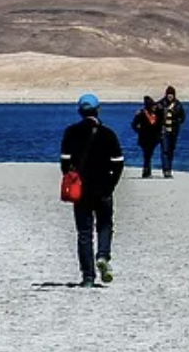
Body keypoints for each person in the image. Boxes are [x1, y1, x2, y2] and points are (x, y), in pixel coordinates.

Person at [60, 92, 125, 286]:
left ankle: (88, 277)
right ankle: (103, 255)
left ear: (80, 111)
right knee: (105, 225)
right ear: (98, 110)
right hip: (103, 188)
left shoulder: (71, 132)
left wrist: (71, 178)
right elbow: (119, 163)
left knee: (84, 232)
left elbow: (64, 163)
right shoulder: (108, 134)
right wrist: (111, 184)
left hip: (80, 190)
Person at [130, 95, 163, 177]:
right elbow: (134, 124)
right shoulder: (141, 114)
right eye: (152, 106)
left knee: (149, 154)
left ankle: (147, 170)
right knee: (147, 154)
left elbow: (161, 121)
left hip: (154, 138)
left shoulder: (157, 114)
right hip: (144, 138)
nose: (154, 107)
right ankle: (146, 171)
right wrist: (139, 131)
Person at [158, 85, 186, 178]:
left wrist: (177, 121)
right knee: (165, 151)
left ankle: (169, 168)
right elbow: (152, 110)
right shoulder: (161, 104)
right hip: (163, 131)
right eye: (168, 94)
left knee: (171, 151)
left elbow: (183, 117)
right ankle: (166, 171)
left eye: (171, 94)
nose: (170, 96)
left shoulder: (178, 105)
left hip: (174, 132)